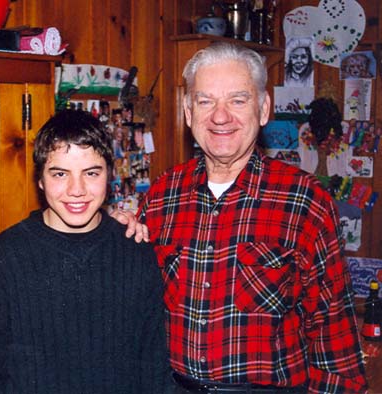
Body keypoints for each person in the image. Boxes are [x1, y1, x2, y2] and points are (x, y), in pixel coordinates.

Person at [139, 42, 367, 392]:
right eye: (205, 101)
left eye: (237, 100)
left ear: (263, 109)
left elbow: (332, 332)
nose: (220, 116)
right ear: (187, 112)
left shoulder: (305, 201)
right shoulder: (161, 196)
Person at [0, 109, 173, 394]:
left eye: (91, 173)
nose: (76, 189)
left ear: (109, 175)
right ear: (40, 179)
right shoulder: (2, 259)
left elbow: (154, 370)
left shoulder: (135, 253)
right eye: (60, 174)